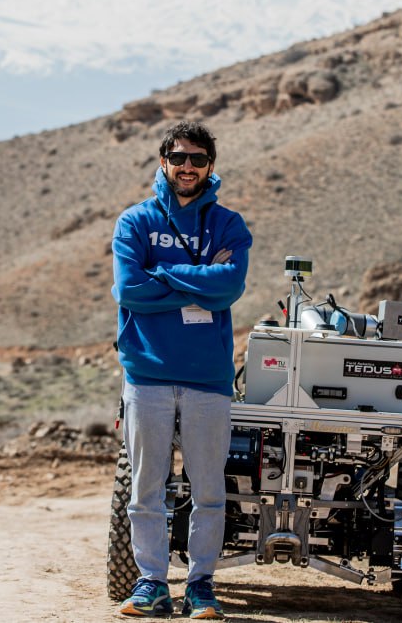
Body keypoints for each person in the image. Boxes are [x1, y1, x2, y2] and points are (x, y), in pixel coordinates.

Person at [112, 120, 252, 619]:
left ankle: (201, 585)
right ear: (163, 162)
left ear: (210, 165)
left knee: (208, 489)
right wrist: (199, 279)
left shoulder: (229, 225)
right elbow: (129, 290)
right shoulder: (135, 222)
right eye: (179, 158)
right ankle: (151, 582)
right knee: (146, 486)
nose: (187, 167)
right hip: (146, 371)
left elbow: (229, 286)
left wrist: (164, 273)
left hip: (208, 376)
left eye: (197, 158)